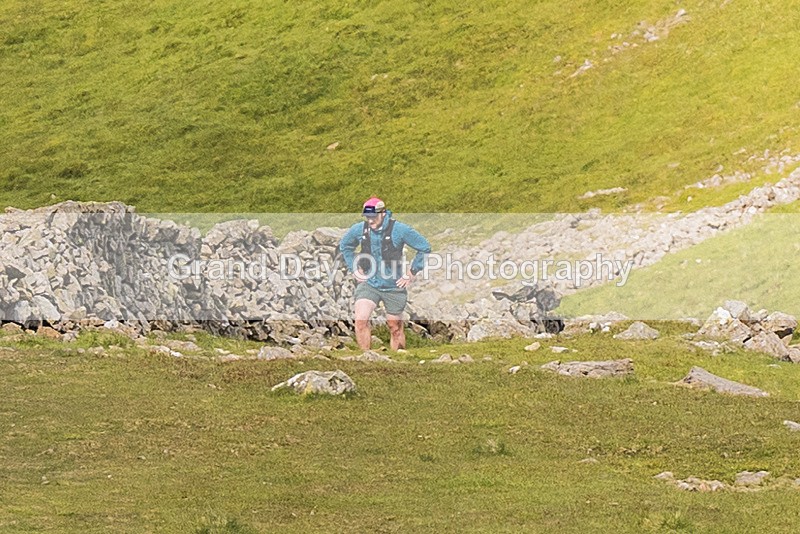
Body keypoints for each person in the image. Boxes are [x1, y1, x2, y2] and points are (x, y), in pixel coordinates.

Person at [339, 197, 431, 351]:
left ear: (382, 213)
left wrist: (412, 271)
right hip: (369, 283)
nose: (370, 220)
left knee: (394, 326)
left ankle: (398, 360)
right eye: (367, 217)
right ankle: (366, 359)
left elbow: (424, 247)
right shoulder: (360, 229)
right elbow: (345, 245)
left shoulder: (400, 230)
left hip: (393, 286)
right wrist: (354, 268)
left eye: (373, 217)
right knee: (361, 320)